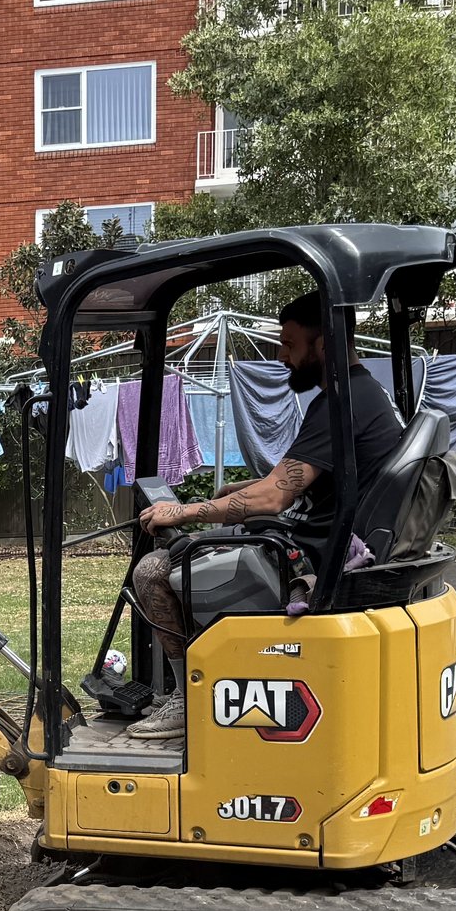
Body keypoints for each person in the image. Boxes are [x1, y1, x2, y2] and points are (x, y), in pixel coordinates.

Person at [125, 289, 407, 743]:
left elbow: (275, 499)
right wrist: (238, 491)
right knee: (204, 542)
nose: (282, 356)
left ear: (324, 344)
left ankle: (185, 698)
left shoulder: (343, 403)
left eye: (290, 344)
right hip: (320, 542)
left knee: (153, 571)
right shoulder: (362, 394)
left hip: (310, 562)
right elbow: (299, 477)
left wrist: (182, 512)